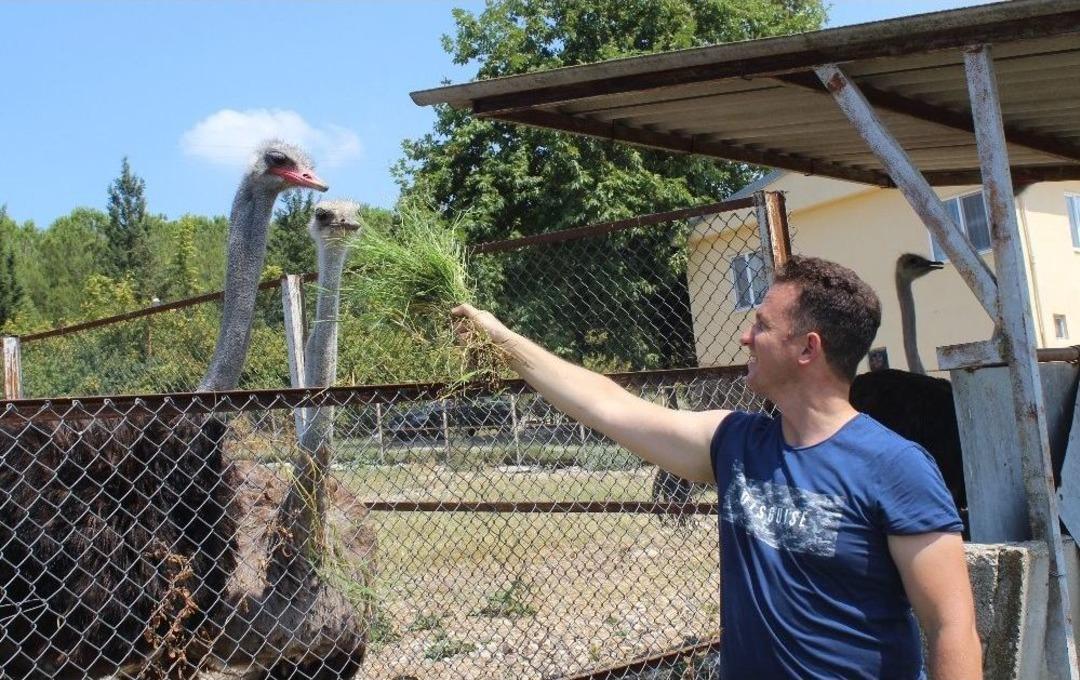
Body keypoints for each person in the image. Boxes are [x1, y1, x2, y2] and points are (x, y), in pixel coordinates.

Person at [452, 255, 981, 680]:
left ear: (806, 348)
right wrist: (501, 338)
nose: (746, 337)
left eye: (761, 325)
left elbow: (950, 626)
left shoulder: (897, 466)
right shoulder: (735, 443)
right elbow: (609, 405)